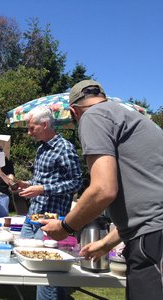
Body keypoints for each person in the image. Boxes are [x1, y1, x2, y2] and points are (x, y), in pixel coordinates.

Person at [41, 80, 163, 300]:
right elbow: (148, 204)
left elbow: (103, 190)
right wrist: (106, 244)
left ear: (73, 111)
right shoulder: (130, 118)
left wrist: (65, 227)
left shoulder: (93, 116)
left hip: (153, 241)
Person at [17, 106, 82, 300]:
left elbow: (76, 182)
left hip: (52, 220)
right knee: (23, 258)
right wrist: (26, 184)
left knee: (46, 273)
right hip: (33, 215)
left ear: (45, 125)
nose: (29, 133)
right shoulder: (41, 148)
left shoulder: (65, 148)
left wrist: (43, 189)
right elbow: (40, 179)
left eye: (31, 128)